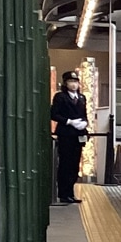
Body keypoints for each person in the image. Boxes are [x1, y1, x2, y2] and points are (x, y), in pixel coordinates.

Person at [50, 70, 89, 204]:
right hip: (66, 133)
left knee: (74, 165)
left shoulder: (82, 97)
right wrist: (69, 121)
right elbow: (54, 114)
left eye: (75, 82)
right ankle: (63, 193)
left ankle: (71, 192)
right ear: (65, 83)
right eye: (71, 82)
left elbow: (84, 114)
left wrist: (84, 123)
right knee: (65, 164)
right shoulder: (60, 97)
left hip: (78, 135)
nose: (74, 85)